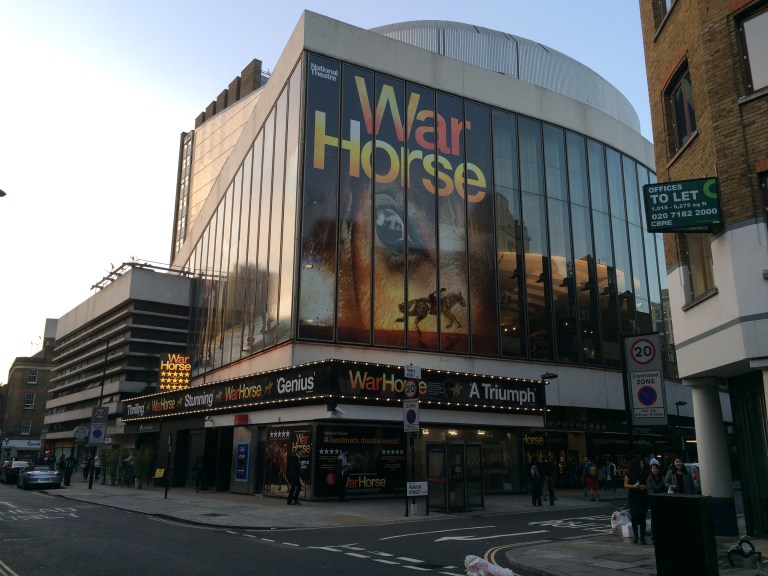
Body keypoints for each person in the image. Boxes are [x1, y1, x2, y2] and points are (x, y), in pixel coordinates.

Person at [624, 456, 649, 544]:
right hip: (633, 497)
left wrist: (644, 487)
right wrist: (633, 486)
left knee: (642, 517)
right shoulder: (629, 472)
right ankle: (636, 536)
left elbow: (648, 485)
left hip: (643, 496)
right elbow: (625, 484)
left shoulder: (645, 473)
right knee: (634, 516)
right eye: (641, 463)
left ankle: (642, 537)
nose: (642, 465)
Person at [646, 458, 666, 542]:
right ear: (651, 470)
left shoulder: (663, 478)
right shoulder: (649, 479)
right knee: (654, 519)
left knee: (663, 518)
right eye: (653, 468)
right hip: (654, 501)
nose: (655, 470)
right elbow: (650, 491)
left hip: (663, 500)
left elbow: (666, 488)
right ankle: (654, 536)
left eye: (656, 468)